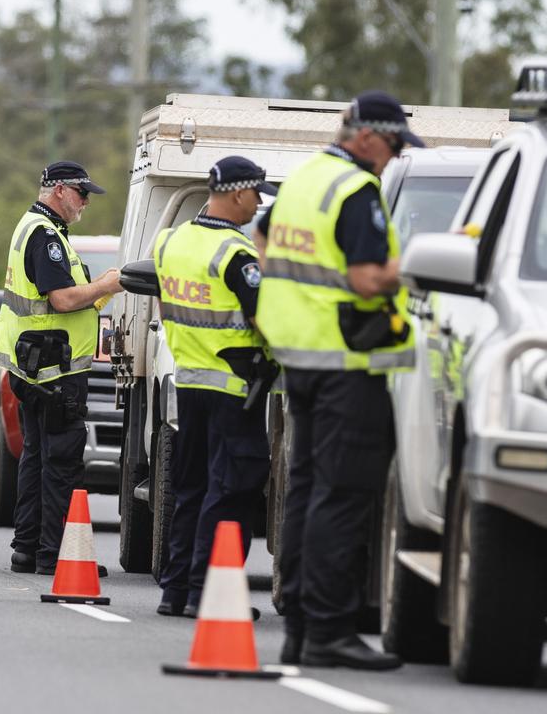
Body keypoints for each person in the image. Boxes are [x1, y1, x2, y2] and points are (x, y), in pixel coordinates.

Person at [257, 91, 418, 670]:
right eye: (395, 145)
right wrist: (418, 260)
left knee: (305, 489)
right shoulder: (355, 189)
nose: (394, 158)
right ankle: (329, 629)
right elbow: (369, 277)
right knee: (343, 494)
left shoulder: (305, 178)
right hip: (347, 361)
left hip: (300, 358)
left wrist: (291, 299)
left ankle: (300, 626)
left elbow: (263, 232)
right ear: (370, 137)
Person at [154, 156, 275, 619]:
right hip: (233, 385)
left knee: (190, 487)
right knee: (233, 489)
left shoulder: (169, 242)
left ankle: (176, 590)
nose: (259, 203)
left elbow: (167, 311)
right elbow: (265, 320)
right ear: (239, 193)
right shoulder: (236, 255)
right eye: (257, 193)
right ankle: (212, 590)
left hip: (187, 380)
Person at [0, 161, 122, 576]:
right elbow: (63, 300)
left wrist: (98, 295)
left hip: (35, 365)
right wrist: (108, 283)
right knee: (60, 462)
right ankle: (54, 554)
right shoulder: (45, 235)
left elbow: (60, 302)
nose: (86, 203)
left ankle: (27, 549)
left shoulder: (36, 228)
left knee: (35, 457)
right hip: (54, 370)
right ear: (61, 190)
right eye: (83, 194)